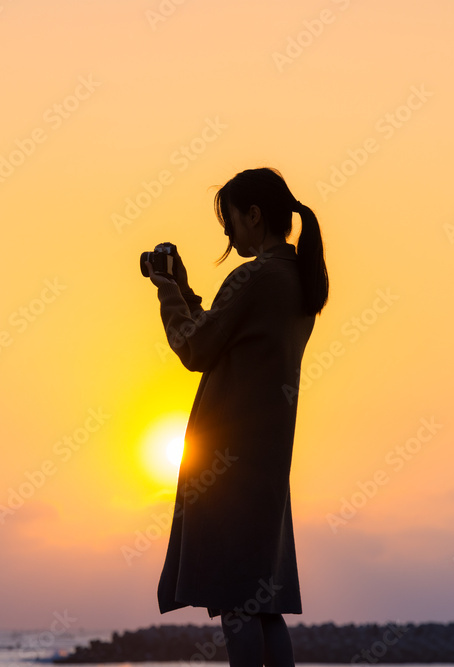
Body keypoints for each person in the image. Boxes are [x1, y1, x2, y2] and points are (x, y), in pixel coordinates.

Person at [143, 167, 329, 667]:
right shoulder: (297, 283)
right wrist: (185, 289)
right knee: (262, 606)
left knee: (234, 605)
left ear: (254, 215)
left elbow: (196, 346)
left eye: (230, 221)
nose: (227, 233)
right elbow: (228, 335)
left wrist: (165, 289)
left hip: (226, 465)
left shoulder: (256, 276)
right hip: (266, 464)